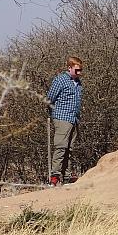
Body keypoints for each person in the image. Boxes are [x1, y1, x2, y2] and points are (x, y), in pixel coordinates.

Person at [46, 56, 84, 187]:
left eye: (81, 70)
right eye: (77, 70)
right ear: (69, 67)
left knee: (70, 149)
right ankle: (54, 177)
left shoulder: (78, 82)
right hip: (62, 118)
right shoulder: (60, 80)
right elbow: (50, 98)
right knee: (60, 147)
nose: (79, 72)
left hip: (74, 118)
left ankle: (67, 176)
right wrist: (54, 114)